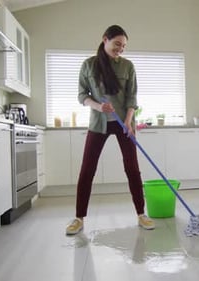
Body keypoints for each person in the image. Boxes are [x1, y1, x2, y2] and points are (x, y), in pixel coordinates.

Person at [66, 25, 154, 235]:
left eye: (123, 46)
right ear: (105, 39)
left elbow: (132, 98)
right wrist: (98, 106)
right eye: (117, 44)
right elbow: (81, 95)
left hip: (124, 123)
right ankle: (79, 218)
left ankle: (141, 214)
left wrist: (129, 121)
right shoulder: (89, 65)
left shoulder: (127, 66)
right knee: (87, 169)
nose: (120, 49)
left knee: (132, 168)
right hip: (99, 123)